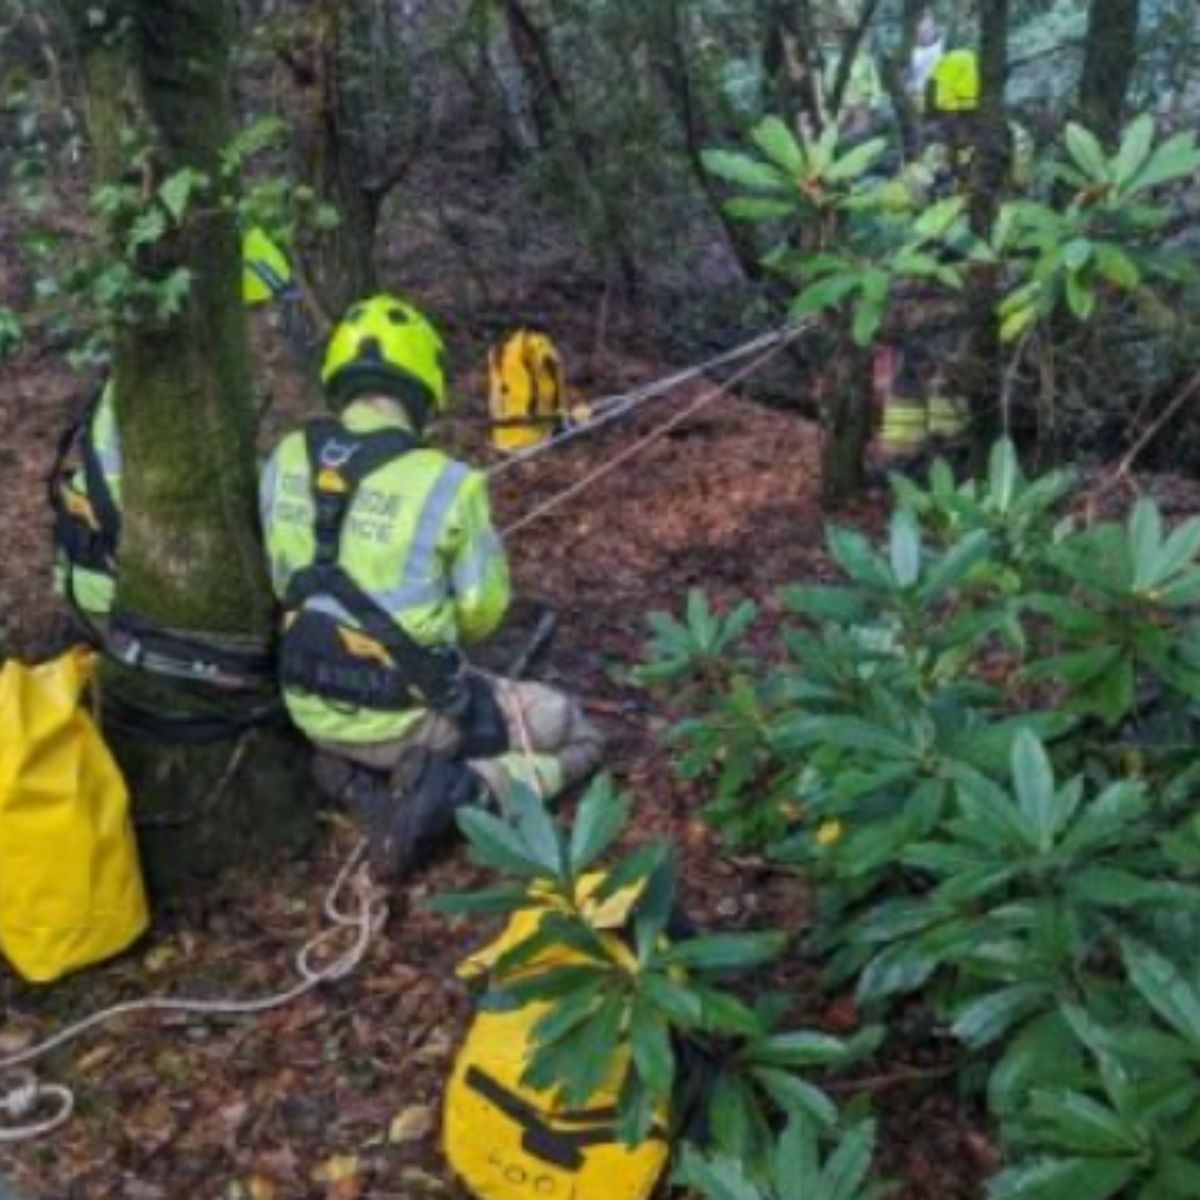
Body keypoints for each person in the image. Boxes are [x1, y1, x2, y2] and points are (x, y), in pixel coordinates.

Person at [259, 295, 604, 878]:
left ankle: (352, 781)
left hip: (306, 703)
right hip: (405, 715)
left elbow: (277, 576)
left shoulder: (284, 457)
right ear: (425, 384)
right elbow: (481, 617)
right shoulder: (450, 485)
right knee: (578, 733)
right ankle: (456, 795)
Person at [51, 228, 304, 634]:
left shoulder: (196, 378)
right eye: (258, 313)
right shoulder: (179, 395)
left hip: (126, 570)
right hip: (122, 588)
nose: (269, 331)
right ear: (224, 318)